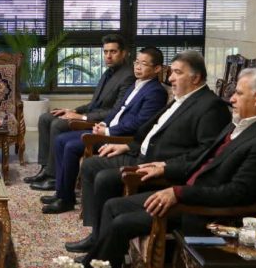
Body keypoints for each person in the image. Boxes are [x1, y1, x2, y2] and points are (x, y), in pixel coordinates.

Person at [47, 68, 256, 268]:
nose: (232, 99)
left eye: (238, 93)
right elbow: (199, 159)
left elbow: (237, 194)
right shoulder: (240, 125)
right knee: (113, 206)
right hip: (190, 194)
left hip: (206, 212)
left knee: (122, 221)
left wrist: (178, 193)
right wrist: (164, 167)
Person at [65, 50, 231, 254]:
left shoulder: (210, 106)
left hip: (157, 165)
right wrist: (128, 146)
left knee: (105, 177)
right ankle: (95, 234)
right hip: (140, 153)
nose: (170, 78)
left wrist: (165, 167)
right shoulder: (183, 97)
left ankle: (100, 239)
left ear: (196, 78)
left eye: (177, 73)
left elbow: (204, 154)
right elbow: (152, 130)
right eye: (171, 72)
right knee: (92, 164)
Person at [40, 47, 168, 214]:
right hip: (109, 130)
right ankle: (61, 192)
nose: (137, 67)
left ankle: (66, 200)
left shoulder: (156, 92)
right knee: (60, 140)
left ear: (157, 68)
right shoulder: (136, 84)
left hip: (120, 138)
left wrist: (108, 131)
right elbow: (117, 110)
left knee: (71, 146)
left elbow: (140, 123)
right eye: (136, 62)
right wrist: (103, 124)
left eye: (143, 64)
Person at [28, 34, 135, 191]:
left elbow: (115, 111)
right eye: (105, 52)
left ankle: (54, 176)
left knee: (58, 124)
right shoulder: (108, 73)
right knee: (46, 118)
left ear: (124, 53)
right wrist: (73, 110)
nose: (108, 56)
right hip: (92, 114)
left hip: (100, 122)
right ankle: (45, 169)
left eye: (113, 52)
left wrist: (82, 117)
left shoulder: (128, 76)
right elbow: (95, 103)